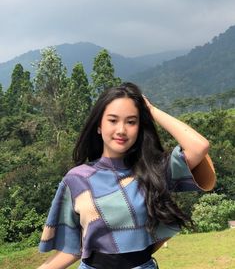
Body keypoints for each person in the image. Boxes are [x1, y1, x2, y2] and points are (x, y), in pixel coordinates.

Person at [38, 82, 216, 269]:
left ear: (139, 127)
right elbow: (72, 248)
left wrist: (151, 110)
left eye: (131, 121)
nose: (121, 130)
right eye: (113, 120)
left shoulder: (153, 171)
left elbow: (199, 147)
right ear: (99, 125)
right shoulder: (76, 179)